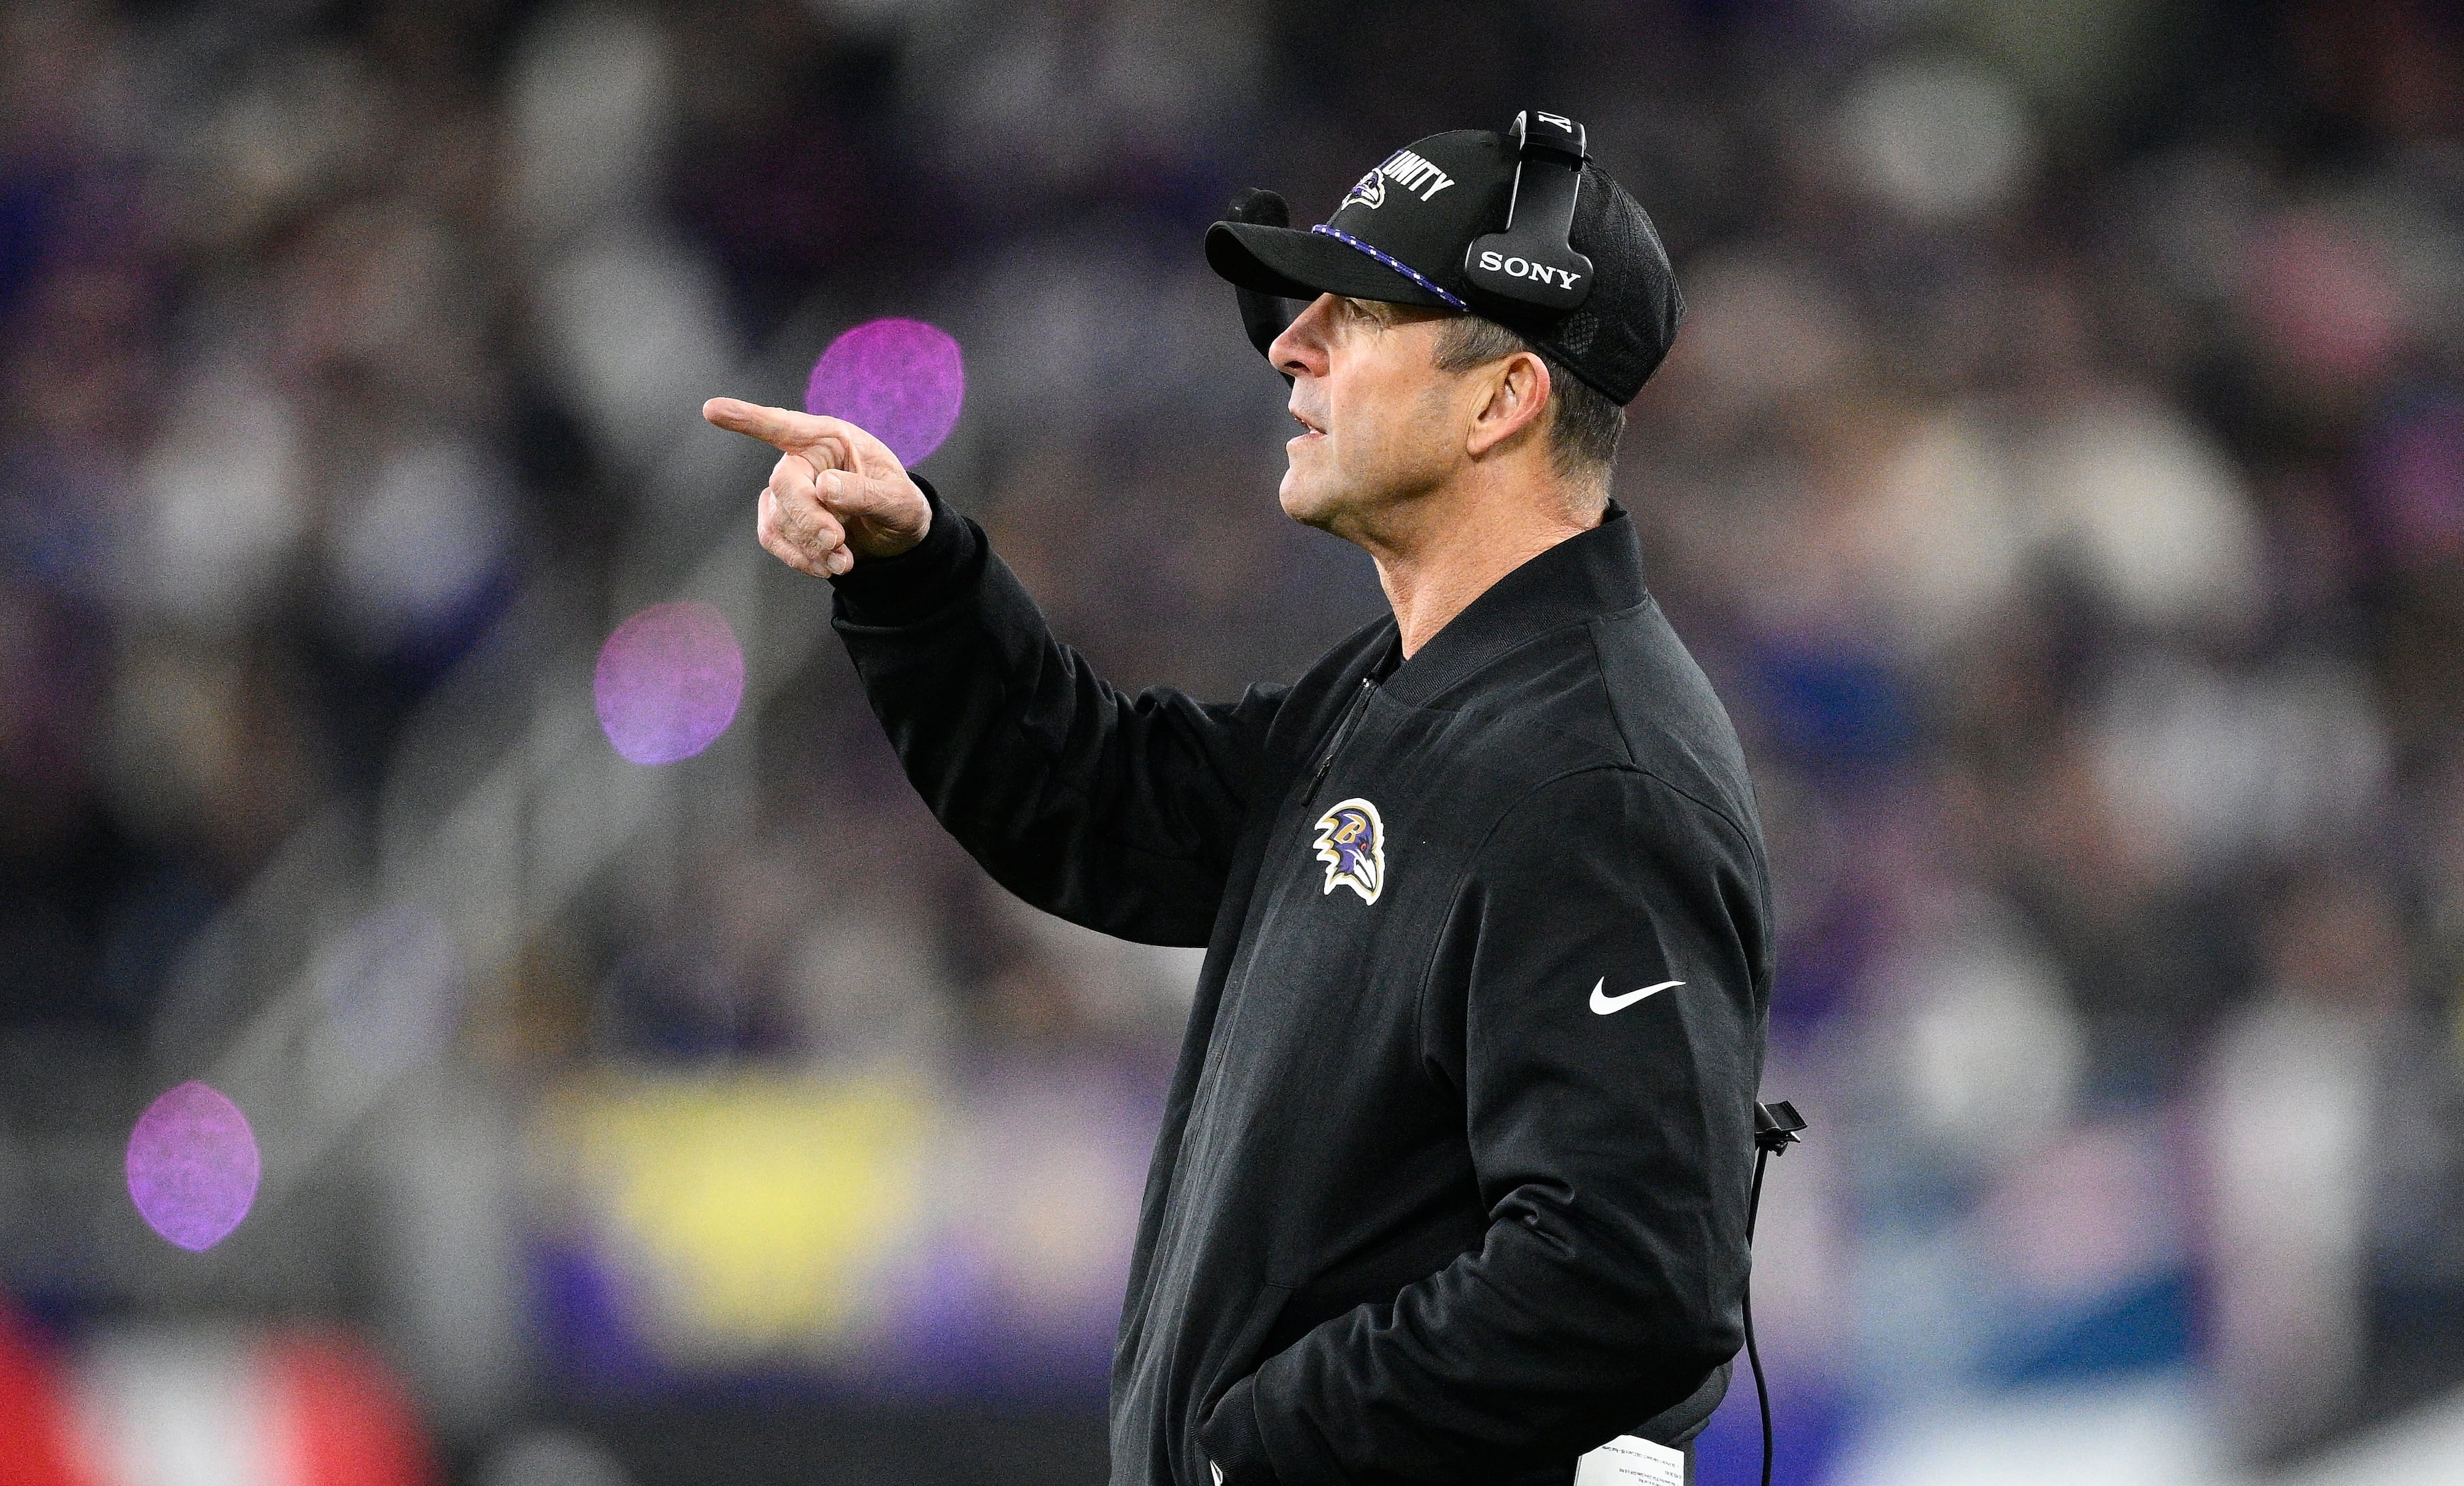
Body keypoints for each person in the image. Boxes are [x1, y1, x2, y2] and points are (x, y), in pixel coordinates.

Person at [706, 114, 1771, 1486]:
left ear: (1504, 397)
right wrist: (913, 570)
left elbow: (1629, 1275)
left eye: (1362, 312)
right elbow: (1100, 811)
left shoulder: (1590, 767)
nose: (1289, 345)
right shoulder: (1412, 695)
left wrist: (1265, 1447)